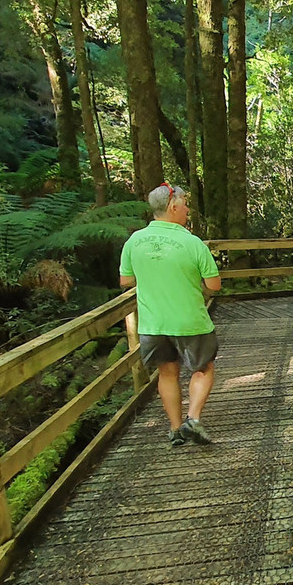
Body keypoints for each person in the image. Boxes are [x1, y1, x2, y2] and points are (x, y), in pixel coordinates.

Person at [119, 183, 222, 446]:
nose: (187, 210)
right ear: (173, 207)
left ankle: (175, 430)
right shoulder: (192, 243)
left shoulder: (134, 241)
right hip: (190, 321)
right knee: (203, 368)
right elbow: (214, 285)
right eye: (185, 204)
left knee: (166, 373)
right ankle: (193, 419)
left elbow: (126, 280)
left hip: (153, 324)